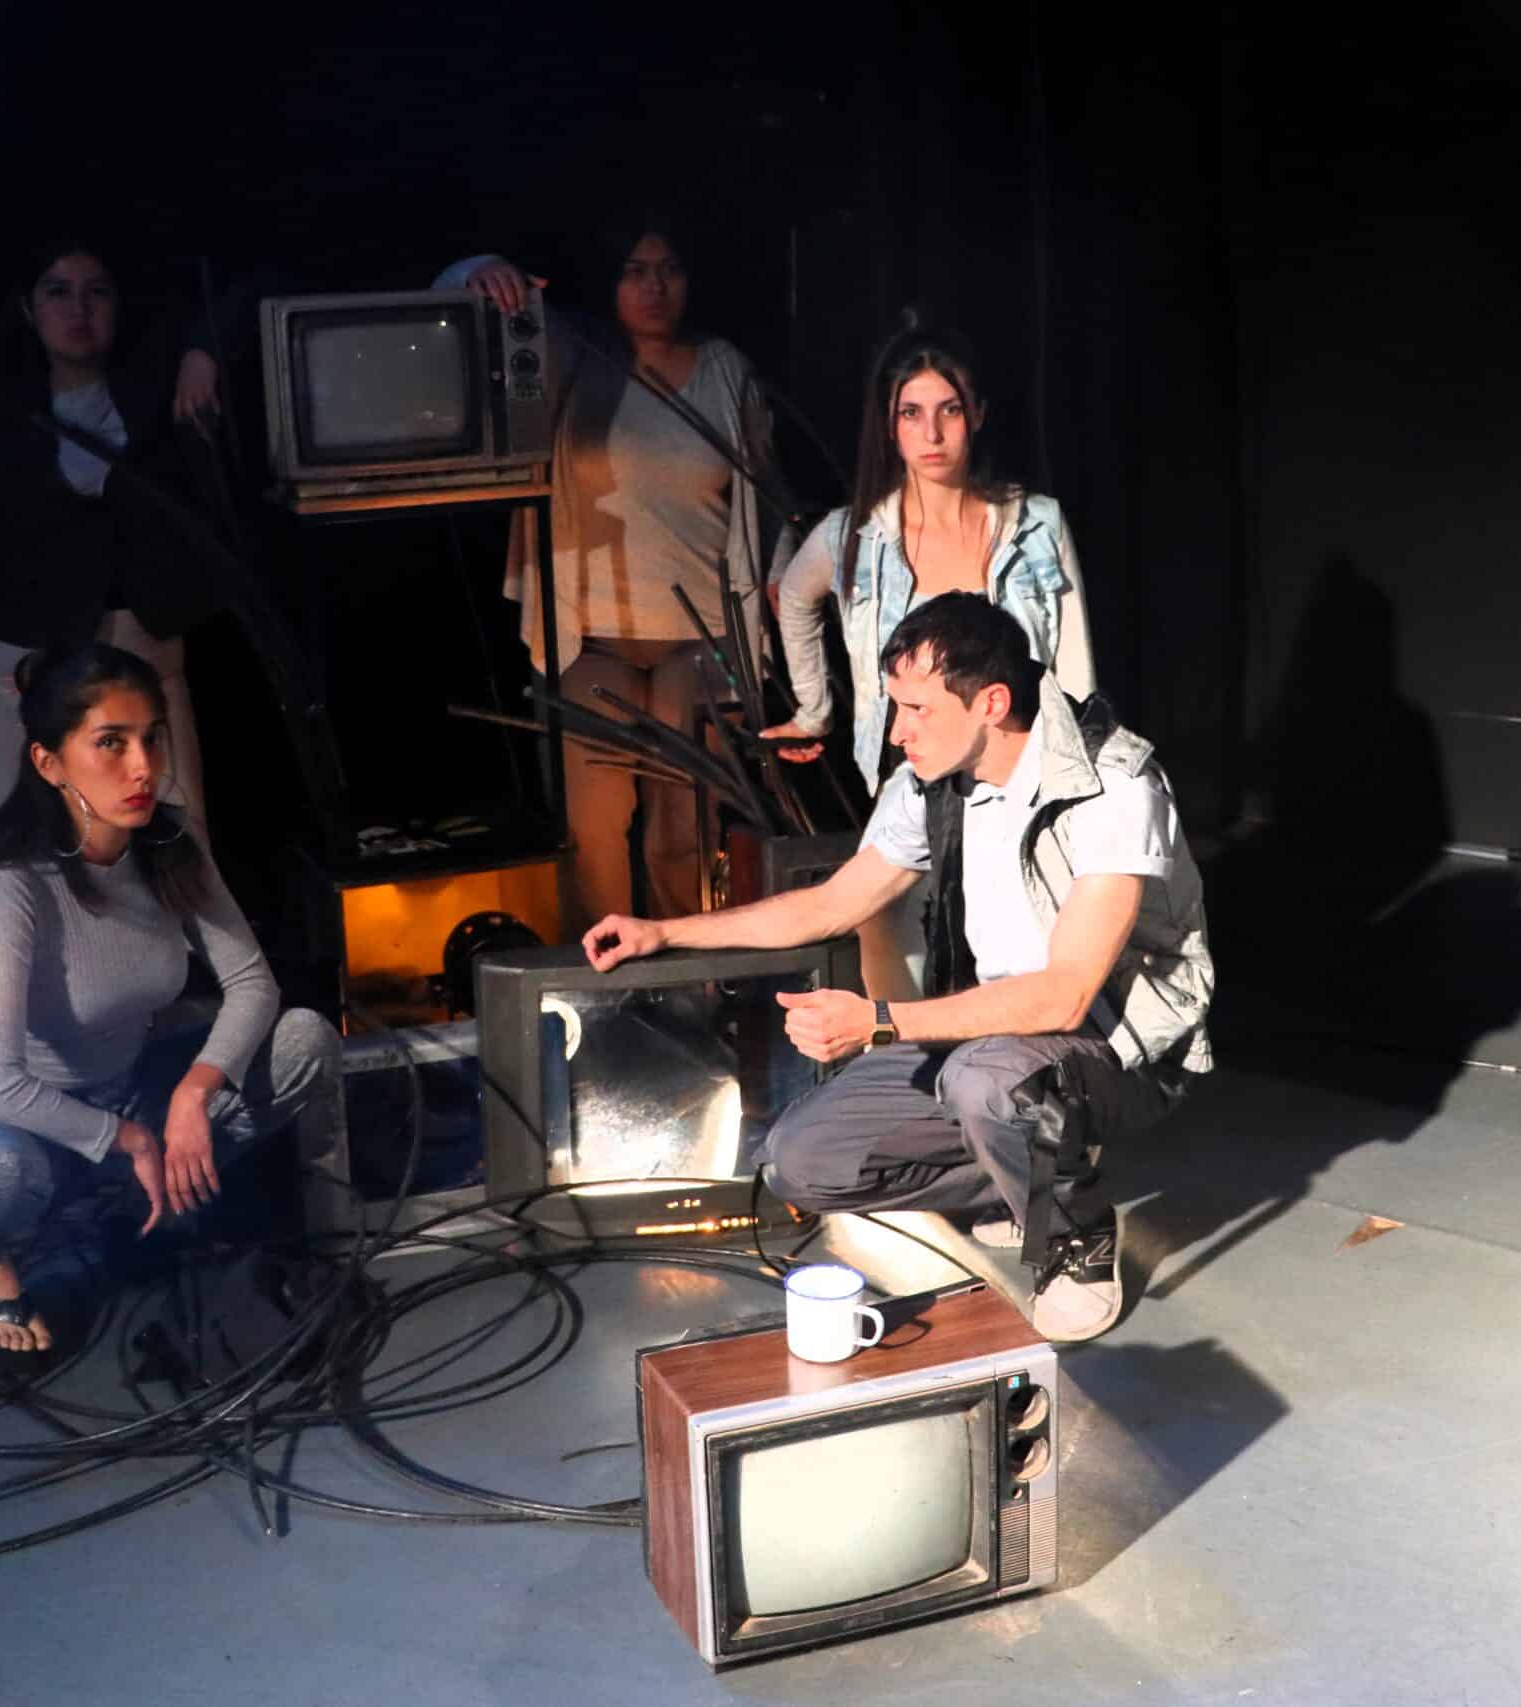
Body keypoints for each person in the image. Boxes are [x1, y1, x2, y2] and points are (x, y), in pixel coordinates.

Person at [582, 593, 1214, 1345]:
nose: (896, 730)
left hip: (1118, 1048)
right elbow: (831, 904)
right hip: (992, 1037)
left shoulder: (1113, 784)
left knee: (987, 1083)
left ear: (992, 703)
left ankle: (1074, 1237)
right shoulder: (932, 779)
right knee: (799, 1162)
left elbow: (1064, 995)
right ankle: (1020, 1174)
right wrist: (662, 932)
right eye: (894, 706)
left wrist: (880, 1022)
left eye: (916, 708)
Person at [0, 643, 346, 1366]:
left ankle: (107, 1208)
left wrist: (194, 1093)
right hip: (5, 1114)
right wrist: (134, 1139)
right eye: (111, 742)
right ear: (50, 763)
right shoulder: (7, 882)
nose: (143, 767)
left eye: (151, 738)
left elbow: (253, 983)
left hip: (127, 1082)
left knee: (306, 1038)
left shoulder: (170, 840)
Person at [440, 214, 786, 925]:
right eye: (635, 271)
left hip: (702, 634)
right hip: (592, 632)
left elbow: (768, 496)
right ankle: (602, 978)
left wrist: (781, 587)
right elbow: (453, 315)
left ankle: (689, 974)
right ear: (609, 281)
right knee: (591, 835)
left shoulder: (724, 369)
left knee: (684, 832)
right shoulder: (571, 350)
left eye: (669, 270)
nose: (655, 287)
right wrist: (480, 268)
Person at [761, 323, 1097, 1000]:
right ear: (889, 426)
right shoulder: (857, 537)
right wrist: (814, 708)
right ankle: (903, 1057)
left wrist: (1079, 775)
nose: (932, 433)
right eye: (911, 413)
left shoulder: (1035, 524)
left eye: (949, 409)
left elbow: (1075, 667)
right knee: (887, 938)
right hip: (912, 777)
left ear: (978, 413)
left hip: (1018, 776)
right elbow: (792, 595)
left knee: (1019, 955)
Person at [0, 238, 220, 834]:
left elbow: (243, 293)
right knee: (16, 837)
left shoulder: (157, 398)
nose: (79, 310)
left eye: (97, 292)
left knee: (170, 832)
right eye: (58, 292)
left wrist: (202, 353)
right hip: (16, 654)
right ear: (29, 310)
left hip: (141, 650)